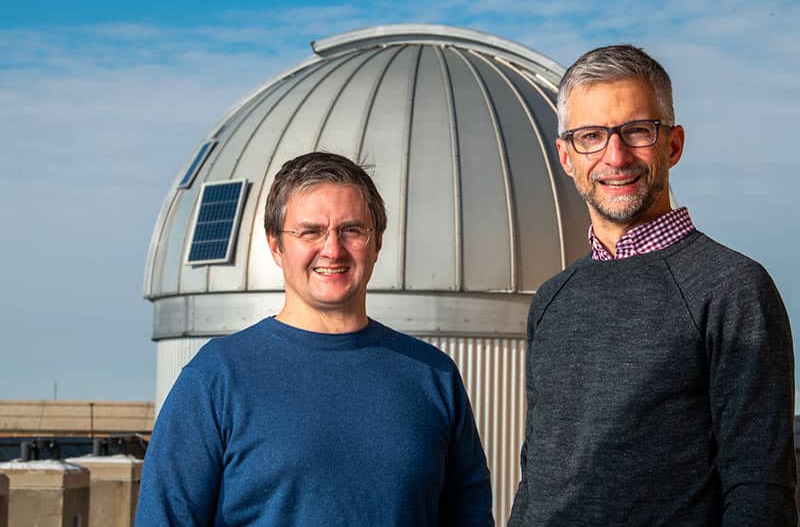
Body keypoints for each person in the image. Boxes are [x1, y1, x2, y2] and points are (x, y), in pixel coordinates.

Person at [509, 45, 796, 526]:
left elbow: (759, 488)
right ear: (566, 156)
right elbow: (536, 481)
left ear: (673, 144)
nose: (614, 156)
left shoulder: (733, 289)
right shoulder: (552, 301)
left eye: (637, 131)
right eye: (591, 137)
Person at [137, 152, 493, 526]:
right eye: (310, 231)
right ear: (276, 245)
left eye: (352, 230)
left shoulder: (431, 376)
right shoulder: (216, 379)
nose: (332, 249)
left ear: (377, 244)